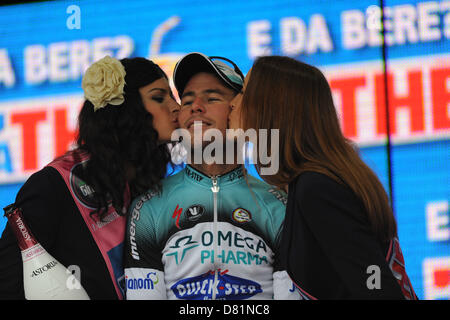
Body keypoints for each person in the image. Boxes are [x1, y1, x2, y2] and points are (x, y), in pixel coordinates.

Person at [228, 55, 418, 300]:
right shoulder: (316, 180)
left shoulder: (317, 187)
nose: (232, 103)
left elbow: (376, 287)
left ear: (270, 107)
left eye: (243, 92)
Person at [0, 56, 180, 300]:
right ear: (126, 109)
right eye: (159, 97)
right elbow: (8, 282)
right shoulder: (55, 185)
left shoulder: (149, 185)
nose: (175, 106)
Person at [124, 52, 296, 300]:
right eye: (187, 100)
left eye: (212, 98)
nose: (196, 106)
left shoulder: (278, 205)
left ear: (239, 110)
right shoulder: (148, 207)